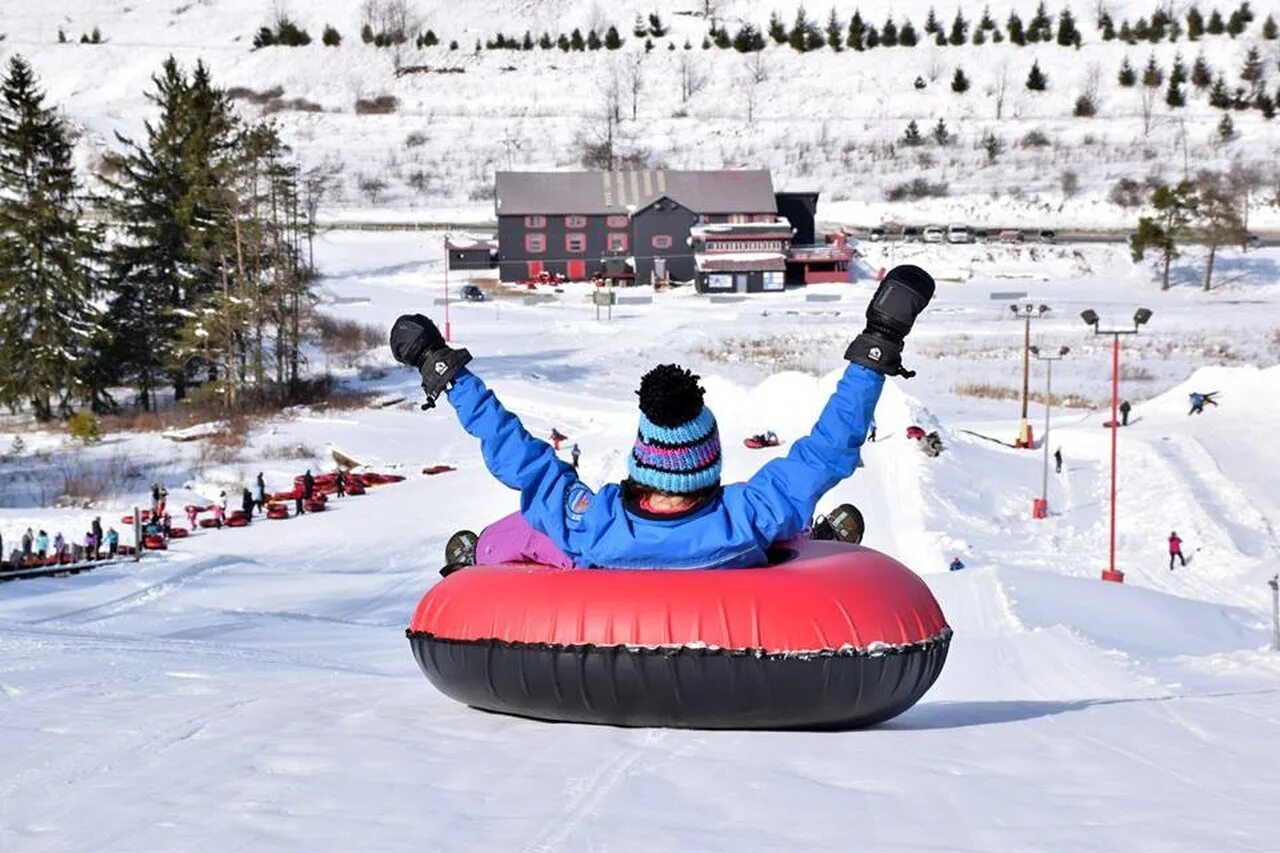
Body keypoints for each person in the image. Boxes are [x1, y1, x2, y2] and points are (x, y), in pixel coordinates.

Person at [389, 264, 935, 573]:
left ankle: (474, 558)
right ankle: (819, 540)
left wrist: (447, 373)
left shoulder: (592, 523)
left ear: (642, 459)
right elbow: (827, 448)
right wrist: (879, 341)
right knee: (786, 528)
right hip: (737, 554)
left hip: (607, 560)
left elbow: (518, 457)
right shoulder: (748, 515)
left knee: (522, 530)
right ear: (708, 460)